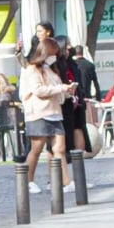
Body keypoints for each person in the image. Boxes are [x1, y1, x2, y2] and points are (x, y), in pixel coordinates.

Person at [18, 37, 73, 193]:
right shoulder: (31, 69)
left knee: (59, 148)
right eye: (53, 53)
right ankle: (28, 181)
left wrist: (67, 91)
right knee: (36, 149)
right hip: (38, 113)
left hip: (55, 112)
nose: (54, 57)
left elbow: (56, 89)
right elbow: (39, 90)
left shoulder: (50, 69)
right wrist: (61, 88)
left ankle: (65, 181)